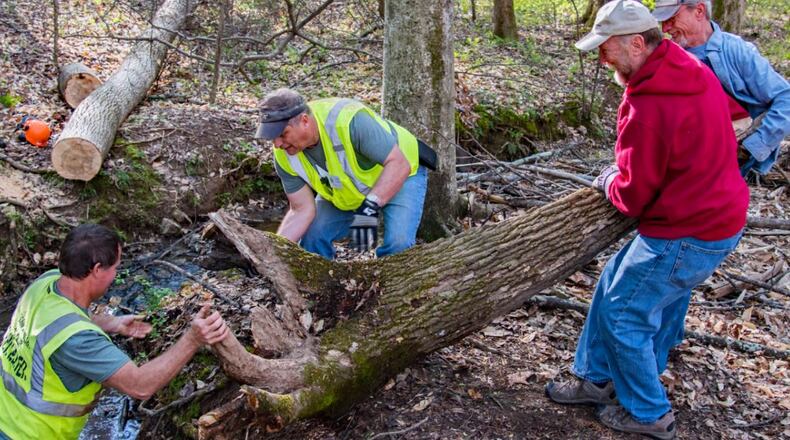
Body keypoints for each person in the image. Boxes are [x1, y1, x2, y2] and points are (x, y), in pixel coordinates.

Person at [545, 1, 749, 439]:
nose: (602, 60)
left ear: (638, 43)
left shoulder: (649, 105)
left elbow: (633, 195)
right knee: (615, 281)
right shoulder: (685, 66)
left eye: (607, 49)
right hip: (715, 217)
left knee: (624, 311)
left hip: (689, 229)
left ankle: (649, 413)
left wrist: (607, 180)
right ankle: (595, 378)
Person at [0, 224, 230, 439]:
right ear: (98, 269)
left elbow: (60, 322)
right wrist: (193, 339)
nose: (115, 276)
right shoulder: (79, 342)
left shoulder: (45, 284)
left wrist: (112, 323)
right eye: (115, 267)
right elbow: (139, 386)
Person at [255, 88, 434, 259]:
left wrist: (369, 208)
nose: (277, 144)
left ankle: (388, 287)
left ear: (304, 121)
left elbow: (398, 164)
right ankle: (319, 286)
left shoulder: (349, 121)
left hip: (400, 173)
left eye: (283, 134)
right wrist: (272, 254)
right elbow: (301, 209)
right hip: (347, 189)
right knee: (312, 237)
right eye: (273, 138)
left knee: (398, 244)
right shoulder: (283, 154)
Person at [652, 0, 790, 176]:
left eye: (671, 19)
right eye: (663, 21)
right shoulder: (666, 59)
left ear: (699, 11)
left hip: (732, 169)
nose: (665, 29)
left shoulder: (737, 51)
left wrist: (751, 147)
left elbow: (786, 99)